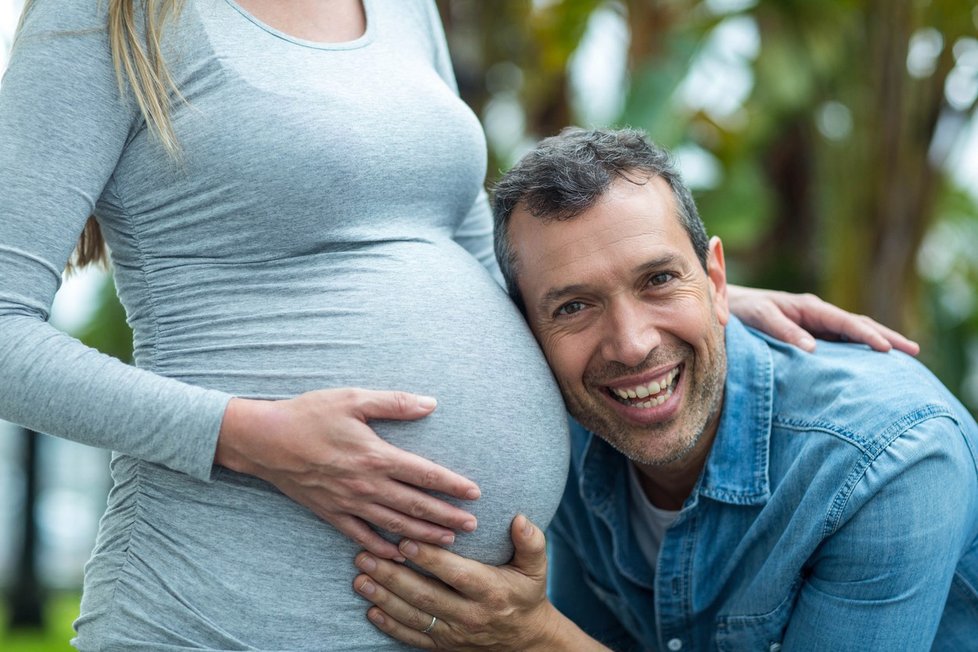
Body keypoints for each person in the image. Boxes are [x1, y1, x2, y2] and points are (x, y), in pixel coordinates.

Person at [0, 2, 916, 649]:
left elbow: (479, 256)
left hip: (454, 628)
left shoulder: (400, 7)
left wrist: (691, 303)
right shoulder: (110, 14)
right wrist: (251, 436)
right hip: (222, 609)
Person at [352, 128, 978, 651]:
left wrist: (540, 639)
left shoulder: (890, 461)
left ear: (717, 279)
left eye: (658, 280)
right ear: (523, 331)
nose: (631, 344)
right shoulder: (557, 428)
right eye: (574, 307)